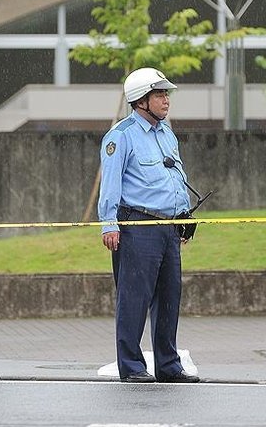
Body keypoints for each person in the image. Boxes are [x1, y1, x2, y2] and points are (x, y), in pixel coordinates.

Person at [97, 67, 200, 384]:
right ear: (141, 100)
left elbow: (175, 176)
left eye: (166, 93)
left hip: (168, 228)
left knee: (170, 296)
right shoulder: (121, 136)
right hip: (137, 226)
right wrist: (108, 224)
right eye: (159, 94)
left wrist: (183, 216)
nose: (166, 99)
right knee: (134, 298)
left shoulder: (167, 133)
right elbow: (110, 184)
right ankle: (131, 365)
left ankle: (168, 365)